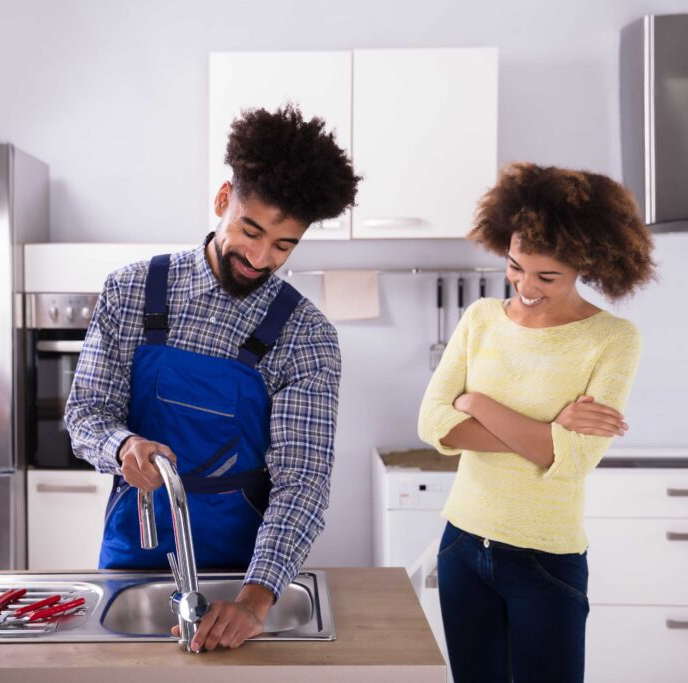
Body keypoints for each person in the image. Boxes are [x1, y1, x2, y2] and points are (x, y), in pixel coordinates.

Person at [64, 104, 360, 653]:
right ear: (224, 201)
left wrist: (255, 598)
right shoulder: (132, 291)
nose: (260, 257)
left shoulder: (306, 335)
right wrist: (123, 444)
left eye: (283, 245)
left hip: (246, 568)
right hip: (134, 556)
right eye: (251, 231)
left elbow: (303, 482)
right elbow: (85, 415)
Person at [417, 162, 656, 683]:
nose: (525, 285)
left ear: (584, 267)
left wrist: (477, 401)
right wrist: (547, 429)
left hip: (545, 558)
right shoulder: (480, 318)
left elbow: (571, 459)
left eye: (547, 276)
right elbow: (433, 425)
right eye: (515, 265)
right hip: (461, 544)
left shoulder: (612, 339)